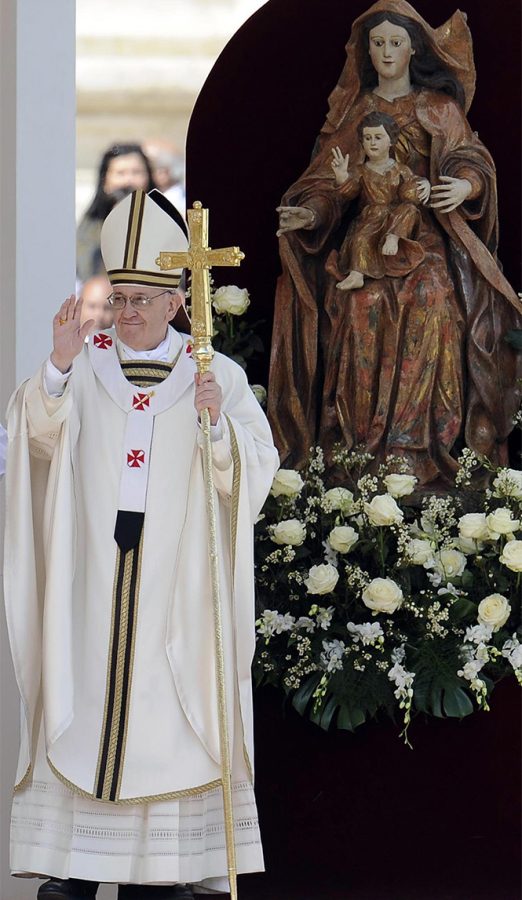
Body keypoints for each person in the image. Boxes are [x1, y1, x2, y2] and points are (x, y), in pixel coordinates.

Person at [4, 188, 279, 899]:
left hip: (175, 587)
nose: (126, 313)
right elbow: (34, 443)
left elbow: (252, 472)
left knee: (170, 717)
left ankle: (167, 871)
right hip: (96, 579)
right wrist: (57, 369)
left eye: (140, 300)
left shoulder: (213, 374)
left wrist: (219, 428)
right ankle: (75, 862)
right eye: (117, 297)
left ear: (175, 301)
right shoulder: (84, 367)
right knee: (88, 710)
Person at [270, 0, 521, 485]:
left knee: (433, 300)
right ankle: (362, 451)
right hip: (367, 239)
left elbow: (471, 157)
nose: (386, 51)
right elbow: (329, 182)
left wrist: (465, 185)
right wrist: (312, 212)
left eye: (396, 42)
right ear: (366, 51)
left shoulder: (439, 108)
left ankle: (414, 447)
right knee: (361, 306)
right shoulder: (356, 111)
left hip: (425, 238)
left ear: (413, 50)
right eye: (378, 42)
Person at [327, 111, 424, 290]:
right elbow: (350, 192)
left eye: (378, 137)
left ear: (391, 141)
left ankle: (393, 237)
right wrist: (342, 177)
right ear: (362, 142)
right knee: (360, 238)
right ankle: (357, 274)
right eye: (368, 138)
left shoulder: (401, 170)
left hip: (397, 218)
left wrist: (423, 186)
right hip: (371, 219)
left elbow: (412, 192)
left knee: (409, 208)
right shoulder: (360, 171)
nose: (372, 142)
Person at [77, 143, 155, 285]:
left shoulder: (166, 224)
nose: (129, 180)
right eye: (121, 173)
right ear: (105, 181)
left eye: (136, 172)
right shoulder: (89, 228)